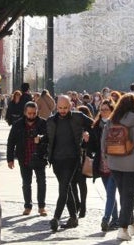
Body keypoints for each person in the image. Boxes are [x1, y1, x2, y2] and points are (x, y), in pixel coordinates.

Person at [101, 93, 134, 241]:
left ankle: (131, 224)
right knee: (128, 196)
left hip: (114, 163)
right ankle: (123, 228)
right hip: (133, 164)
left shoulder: (112, 120)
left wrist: (106, 158)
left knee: (124, 194)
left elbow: (103, 141)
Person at [46, 95, 93, 232]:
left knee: (64, 187)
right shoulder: (51, 121)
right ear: (56, 107)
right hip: (56, 161)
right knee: (67, 188)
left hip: (72, 159)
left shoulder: (78, 117)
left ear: (71, 106)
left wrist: (87, 134)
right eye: (60, 108)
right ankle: (73, 217)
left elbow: (94, 124)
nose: (62, 110)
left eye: (65, 108)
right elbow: (47, 139)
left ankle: (56, 217)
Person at [6, 101, 48, 216]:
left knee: (41, 183)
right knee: (26, 183)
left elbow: (49, 138)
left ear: (37, 112)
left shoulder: (43, 123)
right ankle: (27, 206)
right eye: (29, 113)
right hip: (24, 157)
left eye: (34, 113)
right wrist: (10, 159)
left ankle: (41, 206)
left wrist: (41, 139)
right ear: (25, 112)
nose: (31, 116)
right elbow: (11, 142)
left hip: (39, 157)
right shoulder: (17, 124)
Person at [86, 99, 120, 232]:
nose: (104, 112)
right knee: (109, 192)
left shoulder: (117, 124)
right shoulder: (96, 125)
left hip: (115, 163)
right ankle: (115, 219)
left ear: (112, 110)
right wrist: (87, 141)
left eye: (106, 109)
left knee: (110, 193)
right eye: (102, 110)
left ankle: (106, 219)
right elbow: (93, 146)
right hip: (102, 163)